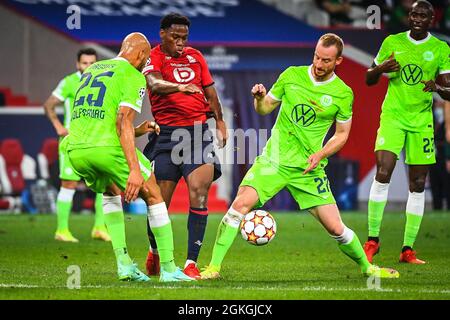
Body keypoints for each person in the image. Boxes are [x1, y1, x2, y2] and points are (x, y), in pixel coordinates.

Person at [200, 33, 399, 280]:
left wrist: (321, 153)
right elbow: (264, 109)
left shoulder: (342, 93)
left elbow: (342, 134)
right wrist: (259, 98)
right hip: (274, 160)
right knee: (239, 205)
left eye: (326, 60)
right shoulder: (291, 75)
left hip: (308, 169)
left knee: (336, 228)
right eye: (317, 56)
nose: (318, 63)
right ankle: (213, 268)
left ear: (338, 61)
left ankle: (368, 269)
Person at [65, 32, 194, 282]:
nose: (146, 63)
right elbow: (122, 119)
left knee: (111, 191)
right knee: (154, 193)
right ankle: (168, 269)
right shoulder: (133, 76)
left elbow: (101, 120)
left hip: (76, 149)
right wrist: (135, 170)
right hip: (105, 149)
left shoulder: (93, 69)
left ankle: (124, 265)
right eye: (146, 58)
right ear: (140, 54)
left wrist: (138, 131)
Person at [142, 13, 228, 279]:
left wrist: (220, 122)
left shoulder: (196, 57)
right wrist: (181, 87)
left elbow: (210, 93)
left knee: (199, 192)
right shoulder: (153, 57)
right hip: (166, 137)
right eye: (175, 37)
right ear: (163, 34)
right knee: (159, 204)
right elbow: (154, 83)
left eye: (184, 38)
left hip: (198, 134)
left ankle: (191, 263)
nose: (180, 42)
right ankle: (154, 251)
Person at [364, 0, 450, 264]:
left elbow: (449, 91)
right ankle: (372, 241)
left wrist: (436, 86)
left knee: (417, 184)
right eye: (414, 14)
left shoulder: (440, 48)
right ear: (409, 16)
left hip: (421, 121)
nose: (417, 18)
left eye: (423, 15)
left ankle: (407, 249)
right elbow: (369, 78)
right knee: (382, 171)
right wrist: (379, 69)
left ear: (431, 19)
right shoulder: (392, 41)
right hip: (393, 116)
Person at [43, 48, 110, 243]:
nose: (88, 67)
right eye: (84, 63)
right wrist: (58, 126)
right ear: (77, 64)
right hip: (72, 141)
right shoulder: (69, 82)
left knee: (103, 184)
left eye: (92, 63)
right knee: (69, 184)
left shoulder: (103, 81)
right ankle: (62, 230)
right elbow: (49, 104)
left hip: (95, 141)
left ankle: (99, 227)